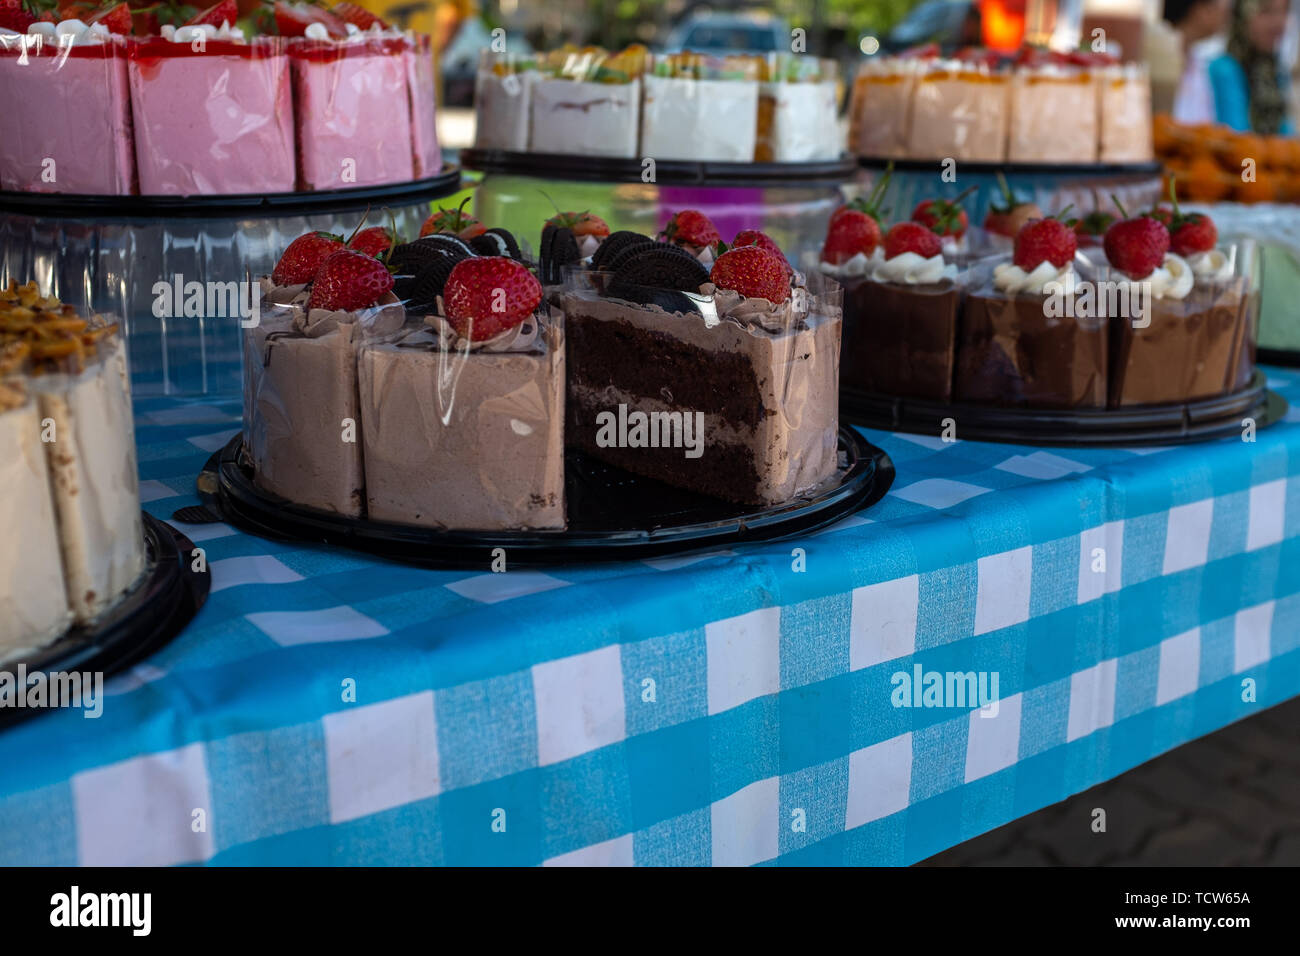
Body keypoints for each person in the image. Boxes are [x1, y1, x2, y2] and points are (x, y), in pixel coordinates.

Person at [1209, 0, 1296, 133]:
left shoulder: (1274, 71)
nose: (1279, 23)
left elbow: (1286, 134)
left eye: (1284, 11)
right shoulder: (1224, 69)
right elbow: (1236, 138)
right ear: (1243, 16)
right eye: (1267, 11)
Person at [1155, 0, 1232, 122]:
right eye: (1220, 6)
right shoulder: (1157, 52)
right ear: (1200, 9)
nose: (1226, 15)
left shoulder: (1197, 62)